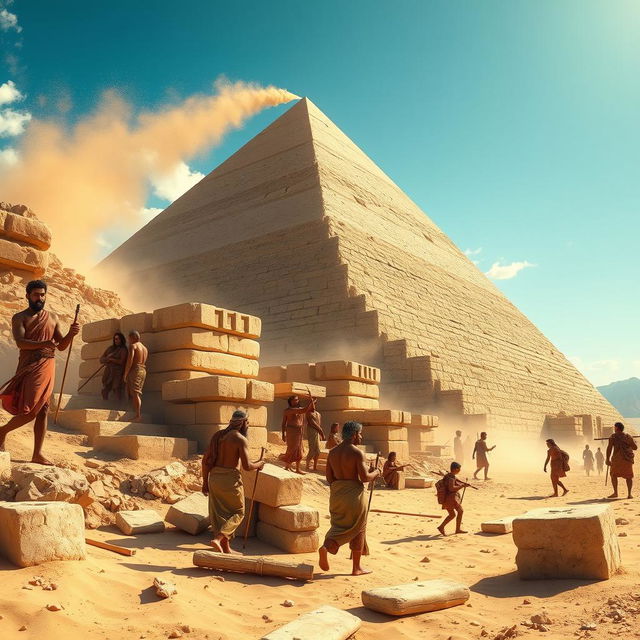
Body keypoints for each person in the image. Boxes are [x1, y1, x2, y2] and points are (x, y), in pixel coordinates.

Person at [0, 280, 80, 465]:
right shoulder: (19, 317)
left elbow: (61, 346)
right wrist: (44, 343)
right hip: (30, 365)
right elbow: (21, 342)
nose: (40, 298)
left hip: (48, 364)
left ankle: (37, 453)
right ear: (27, 295)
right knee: (30, 411)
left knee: (43, 409)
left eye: (42, 295)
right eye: (36, 294)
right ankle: (2, 431)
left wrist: (71, 334)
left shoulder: (52, 317)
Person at [318, 421, 381, 576]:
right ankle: (356, 568)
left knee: (338, 526)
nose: (361, 436)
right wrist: (377, 472)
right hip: (355, 496)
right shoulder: (357, 453)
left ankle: (326, 547)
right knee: (358, 529)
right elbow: (365, 477)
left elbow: (329, 478)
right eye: (359, 433)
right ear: (354, 435)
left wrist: (342, 487)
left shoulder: (333, 452)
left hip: (337, 496)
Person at [201, 410, 265, 553]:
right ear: (243, 423)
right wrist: (260, 463)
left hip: (214, 477)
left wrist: (205, 482)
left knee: (220, 514)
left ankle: (225, 547)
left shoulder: (218, 436)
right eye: (247, 422)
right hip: (230, 479)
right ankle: (218, 539)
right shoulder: (239, 439)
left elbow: (206, 461)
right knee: (238, 512)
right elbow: (247, 466)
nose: (248, 425)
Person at [279, 395, 315, 474]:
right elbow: (283, 423)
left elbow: (311, 409)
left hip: (299, 432)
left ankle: (297, 469)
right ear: (290, 401)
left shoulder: (299, 409)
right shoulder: (288, 411)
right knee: (291, 449)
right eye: (294, 400)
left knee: (299, 451)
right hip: (291, 432)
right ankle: (287, 466)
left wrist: (312, 402)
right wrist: (283, 434)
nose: (296, 401)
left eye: (297, 400)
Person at [606, 422, 637, 499]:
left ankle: (615, 493)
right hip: (627, 459)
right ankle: (629, 494)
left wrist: (607, 458)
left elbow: (609, 448)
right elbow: (635, 447)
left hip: (617, 460)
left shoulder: (613, 437)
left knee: (613, 475)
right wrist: (632, 441)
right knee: (629, 476)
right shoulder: (628, 436)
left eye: (614, 427)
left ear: (616, 428)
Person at [123, 331, 148, 422]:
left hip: (135, 370)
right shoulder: (145, 348)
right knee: (134, 392)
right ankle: (134, 412)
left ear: (133, 337)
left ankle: (137, 415)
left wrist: (125, 373)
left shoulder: (133, 346)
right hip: (143, 370)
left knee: (135, 393)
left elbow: (130, 360)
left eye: (129, 338)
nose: (128, 340)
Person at [437, 462, 467, 536]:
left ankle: (441, 527)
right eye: (459, 469)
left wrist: (463, 484)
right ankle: (457, 529)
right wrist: (462, 486)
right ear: (456, 469)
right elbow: (452, 488)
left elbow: (456, 482)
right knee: (460, 511)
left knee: (452, 515)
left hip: (446, 499)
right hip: (452, 499)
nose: (460, 470)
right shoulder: (451, 477)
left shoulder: (449, 476)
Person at [100, 332, 128, 401]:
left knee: (116, 389)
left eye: (118, 339)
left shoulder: (123, 350)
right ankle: (105, 404)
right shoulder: (110, 349)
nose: (116, 341)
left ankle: (118, 406)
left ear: (121, 340)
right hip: (109, 371)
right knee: (105, 389)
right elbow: (101, 359)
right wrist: (106, 359)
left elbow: (121, 362)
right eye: (115, 339)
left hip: (118, 372)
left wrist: (111, 359)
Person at [305, 405, 325, 472]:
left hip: (317, 432)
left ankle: (315, 466)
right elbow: (312, 423)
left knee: (318, 451)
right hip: (312, 432)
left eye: (314, 403)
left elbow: (319, 424)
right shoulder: (308, 413)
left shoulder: (318, 414)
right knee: (312, 449)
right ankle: (307, 465)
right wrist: (321, 431)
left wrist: (320, 433)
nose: (313, 405)